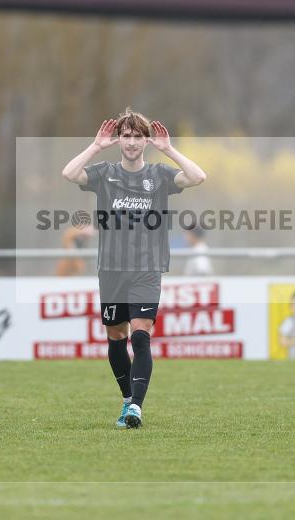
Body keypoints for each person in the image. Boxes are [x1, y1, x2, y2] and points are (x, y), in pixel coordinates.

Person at [62, 108, 206, 428]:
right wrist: (96, 146)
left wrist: (169, 149)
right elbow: (69, 173)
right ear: (118, 140)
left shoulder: (159, 175)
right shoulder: (104, 173)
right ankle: (128, 399)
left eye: (137, 136)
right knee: (116, 337)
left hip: (147, 268)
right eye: (126, 136)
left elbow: (198, 177)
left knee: (141, 336)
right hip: (111, 269)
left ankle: (136, 408)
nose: (131, 142)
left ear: (145, 141)